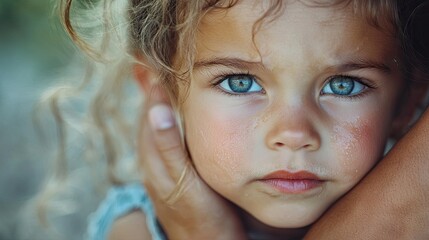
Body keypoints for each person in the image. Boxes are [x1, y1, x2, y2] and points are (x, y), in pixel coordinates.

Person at [49, 0, 429, 239]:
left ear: (406, 102)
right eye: (240, 82)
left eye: (344, 85)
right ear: (162, 91)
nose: (293, 134)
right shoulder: (138, 230)